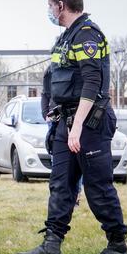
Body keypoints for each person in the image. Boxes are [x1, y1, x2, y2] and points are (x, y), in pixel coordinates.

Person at [16, 0, 127, 254]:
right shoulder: (66, 37)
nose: (49, 10)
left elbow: (92, 83)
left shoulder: (87, 35)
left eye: (50, 4)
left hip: (89, 123)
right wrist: (50, 111)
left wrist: (77, 126)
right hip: (66, 122)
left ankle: (117, 245)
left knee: (98, 187)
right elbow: (52, 77)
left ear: (61, 5)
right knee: (61, 185)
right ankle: (51, 246)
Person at [42, 65, 83, 206]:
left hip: (72, 116)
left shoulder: (76, 68)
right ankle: (60, 196)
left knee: (75, 157)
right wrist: (45, 114)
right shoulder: (50, 69)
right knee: (57, 161)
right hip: (55, 120)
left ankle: (75, 195)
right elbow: (45, 93)